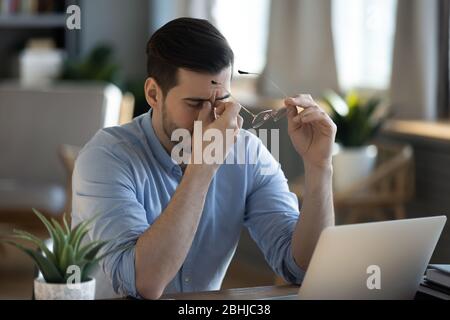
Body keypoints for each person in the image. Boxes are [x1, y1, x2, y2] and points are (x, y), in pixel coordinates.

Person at [71, 17, 336, 299]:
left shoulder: (247, 153)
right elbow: (144, 284)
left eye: (220, 101)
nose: (210, 118)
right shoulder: (106, 157)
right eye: (195, 103)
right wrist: (203, 165)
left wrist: (319, 166)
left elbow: (303, 268)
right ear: (153, 94)